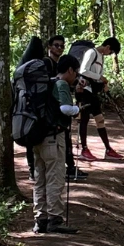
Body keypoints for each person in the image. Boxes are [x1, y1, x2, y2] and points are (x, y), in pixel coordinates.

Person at [25, 35, 88, 183]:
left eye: (61, 46)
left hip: (54, 112)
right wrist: (76, 110)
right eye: (56, 45)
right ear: (49, 47)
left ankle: (69, 167)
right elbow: (56, 87)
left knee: (64, 139)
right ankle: (34, 170)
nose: (59, 48)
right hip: (49, 114)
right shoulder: (46, 64)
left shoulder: (59, 64)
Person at [32, 55, 81, 234]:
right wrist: (77, 109)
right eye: (75, 72)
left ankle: (40, 219)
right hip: (53, 138)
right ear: (70, 70)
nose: (75, 76)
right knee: (55, 177)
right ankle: (55, 219)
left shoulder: (48, 84)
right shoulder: (61, 84)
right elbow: (64, 108)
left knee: (40, 179)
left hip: (37, 137)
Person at [74, 36, 123, 161]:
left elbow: (95, 75)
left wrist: (101, 83)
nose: (109, 54)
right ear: (107, 47)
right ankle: (84, 149)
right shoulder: (92, 52)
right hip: (84, 90)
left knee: (99, 119)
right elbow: (84, 70)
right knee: (84, 120)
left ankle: (108, 150)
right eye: (111, 52)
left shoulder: (100, 56)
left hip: (92, 92)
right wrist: (100, 77)